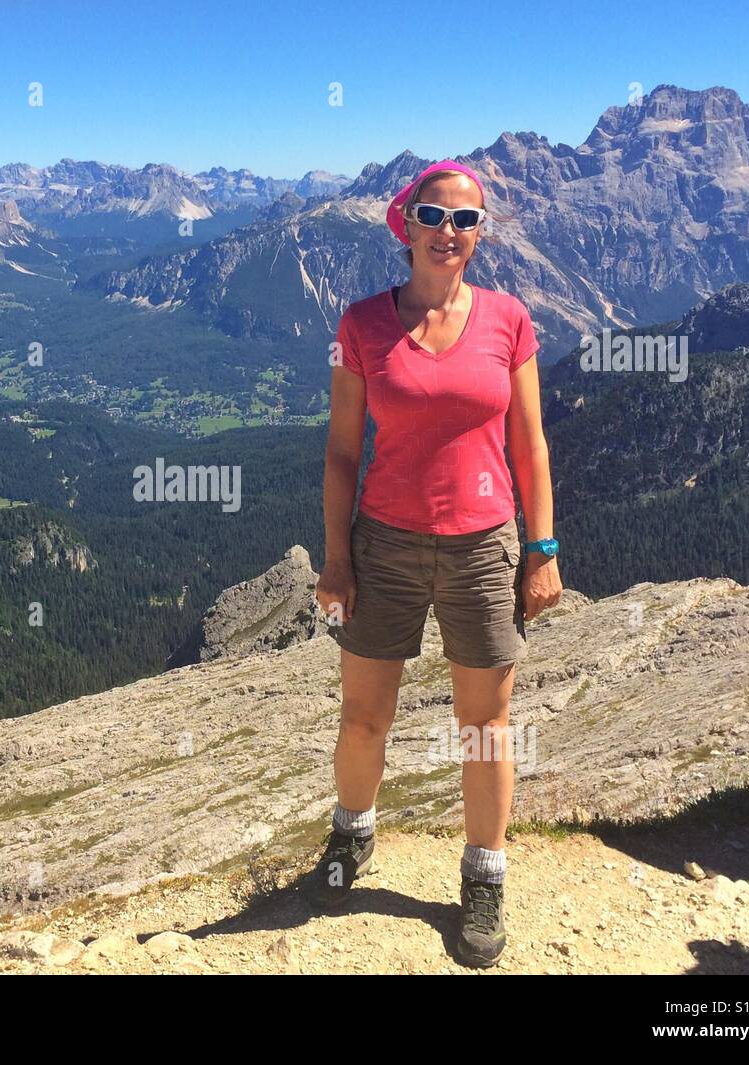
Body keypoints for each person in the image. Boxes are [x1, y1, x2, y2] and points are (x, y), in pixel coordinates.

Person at [310, 159, 563, 968]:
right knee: (363, 717)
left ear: (480, 234)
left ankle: (484, 878)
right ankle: (353, 833)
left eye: (466, 220)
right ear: (406, 224)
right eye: (434, 215)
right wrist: (337, 558)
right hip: (382, 543)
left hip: (485, 546)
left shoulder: (509, 320)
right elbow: (343, 452)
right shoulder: (361, 325)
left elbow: (530, 443)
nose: (449, 231)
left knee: (485, 727)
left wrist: (542, 549)